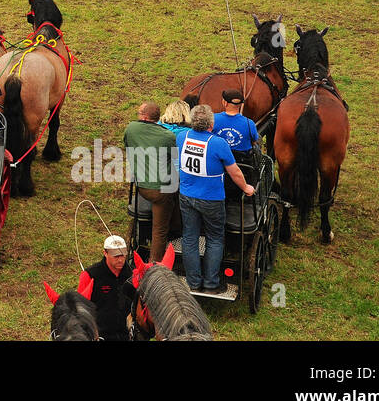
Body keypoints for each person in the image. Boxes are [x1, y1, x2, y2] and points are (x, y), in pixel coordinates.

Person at [178, 105, 254, 294]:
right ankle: (211, 283)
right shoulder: (219, 143)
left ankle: (193, 281)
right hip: (211, 198)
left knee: (189, 237)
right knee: (214, 238)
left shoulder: (182, 137)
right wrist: (246, 188)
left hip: (187, 196)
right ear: (211, 124)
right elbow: (234, 171)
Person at [123, 101, 177, 265]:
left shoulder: (131, 128)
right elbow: (174, 158)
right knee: (160, 229)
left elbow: (128, 146)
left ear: (145, 117)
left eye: (139, 113)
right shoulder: (168, 136)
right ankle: (155, 263)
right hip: (162, 190)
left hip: (142, 187)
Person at [82, 235, 136, 342]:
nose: (120, 260)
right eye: (116, 256)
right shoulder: (90, 275)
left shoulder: (133, 274)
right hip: (100, 335)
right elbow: (81, 310)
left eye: (123, 255)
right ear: (105, 253)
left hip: (128, 335)